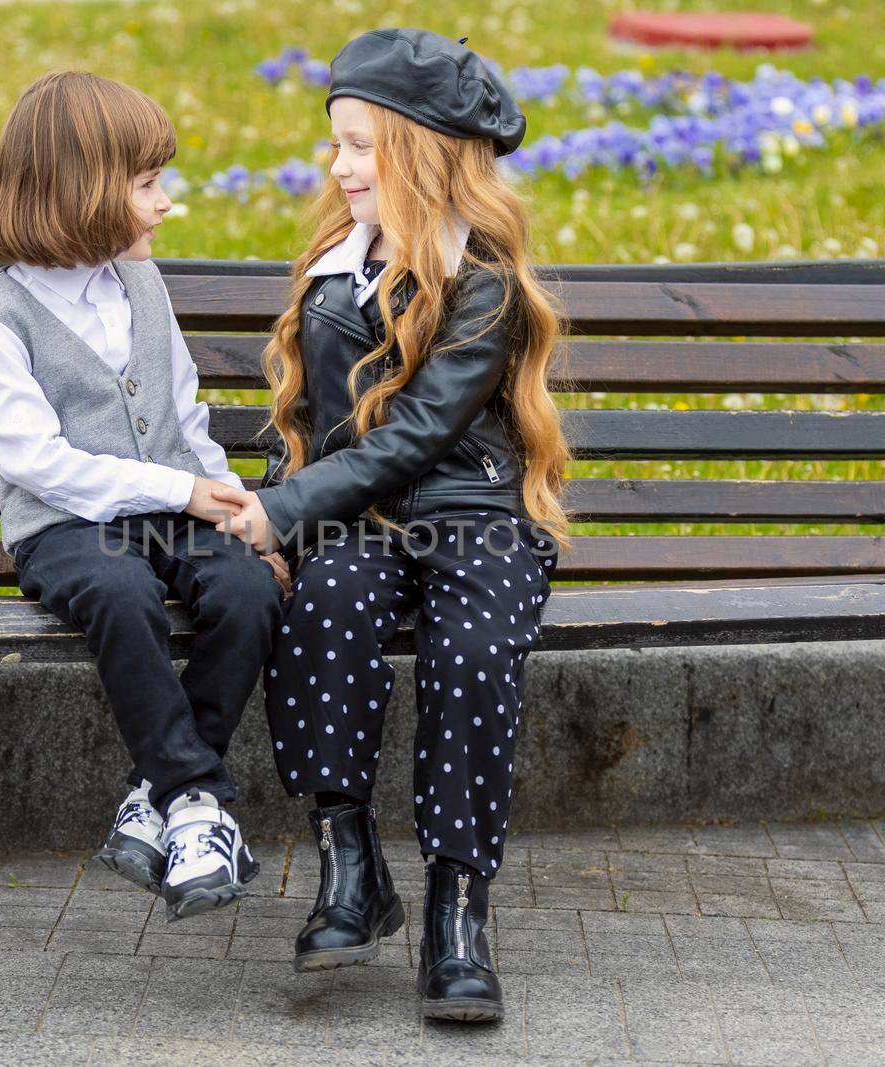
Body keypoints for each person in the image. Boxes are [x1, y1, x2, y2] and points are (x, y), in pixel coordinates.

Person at [213, 29, 570, 1021]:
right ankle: (350, 864)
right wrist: (272, 503)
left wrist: (282, 507)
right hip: (352, 518)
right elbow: (310, 420)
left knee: (470, 646)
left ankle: (458, 908)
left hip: (472, 514)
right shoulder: (336, 262)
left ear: (417, 150)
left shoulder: (480, 276)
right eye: (335, 143)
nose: (338, 165)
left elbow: (417, 431)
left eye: (361, 145)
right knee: (322, 600)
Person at [0, 69, 287, 921]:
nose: (166, 202)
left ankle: (158, 796)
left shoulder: (144, 286)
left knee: (246, 588)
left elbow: (183, 414)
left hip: (174, 509)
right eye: (146, 183)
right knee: (120, 589)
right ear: (78, 189)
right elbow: (43, 464)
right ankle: (200, 797)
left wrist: (242, 511)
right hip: (67, 527)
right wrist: (182, 488)